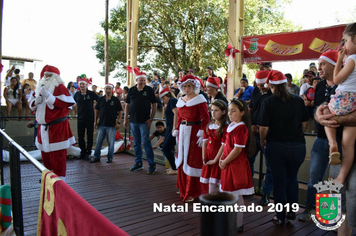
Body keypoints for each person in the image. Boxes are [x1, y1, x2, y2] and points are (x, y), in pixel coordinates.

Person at [258, 70, 308, 226]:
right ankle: (292, 210)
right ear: (286, 83)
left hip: (276, 146)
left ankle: (280, 216)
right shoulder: (298, 101)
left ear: (271, 85)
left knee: (279, 182)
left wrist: (262, 141)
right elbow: (304, 124)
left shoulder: (268, 102)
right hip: (298, 146)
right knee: (292, 178)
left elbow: (263, 127)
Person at [299, 50, 341, 222]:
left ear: (334, 65)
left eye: (323, 64)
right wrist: (318, 116)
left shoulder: (345, 84)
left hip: (341, 141)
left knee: (335, 180)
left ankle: (331, 216)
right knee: (314, 177)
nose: (319, 67)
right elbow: (316, 111)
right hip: (321, 138)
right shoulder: (320, 86)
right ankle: (310, 209)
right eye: (318, 64)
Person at [28, 65, 76, 181]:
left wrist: (49, 96)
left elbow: (66, 104)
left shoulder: (60, 88)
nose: (46, 77)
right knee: (45, 154)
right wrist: (35, 102)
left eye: (49, 75)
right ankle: (48, 176)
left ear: (55, 77)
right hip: (43, 127)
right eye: (45, 75)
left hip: (57, 127)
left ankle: (60, 181)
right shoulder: (39, 87)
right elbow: (31, 105)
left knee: (58, 155)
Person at [325, 23, 356, 186]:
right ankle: (341, 178)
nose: (343, 45)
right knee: (348, 144)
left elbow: (336, 80)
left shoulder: (352, 59)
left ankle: (332, 143)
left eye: (345, 41)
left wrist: (339, 61)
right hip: (354, 103)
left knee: (326, 114)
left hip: (343, 100)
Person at [172, 74, 210, 202]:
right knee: (182, 158)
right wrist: (176, 130)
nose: (187, 88)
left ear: (194, 86)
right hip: (183, 132)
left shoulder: (200, 99)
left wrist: (202, 133)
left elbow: (206, 118)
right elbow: (179, 118)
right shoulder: (181, 100)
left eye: (189, 86)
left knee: (192, 160)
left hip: (194, 133)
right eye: (185, 86)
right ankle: (183, 188)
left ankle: (192, 191)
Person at [219, 98, 255, 232]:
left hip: (236, 165)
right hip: (229, 164)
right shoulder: (231, 126)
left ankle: (238, 224)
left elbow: (237, 149)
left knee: (236, 196)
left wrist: (225, 161)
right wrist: (221, 160)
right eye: (229, 111)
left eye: (233, 111)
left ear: (242, 112)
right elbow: (226, 146)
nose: (230, 114)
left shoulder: (241, 128)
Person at [124, 66, 157, 174]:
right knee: (136, 143)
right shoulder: (132, 90)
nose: (142, 82)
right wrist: (125, 119)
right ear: (136, 80)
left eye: (144, 80)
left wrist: (151, 119)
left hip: (144, 121)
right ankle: (138, 163)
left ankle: (152, 164)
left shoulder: (149, 90)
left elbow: (154, 104)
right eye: (140, 80)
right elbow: (127, 104)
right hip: (133, 121)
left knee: (146, 142)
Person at [248, 70, 273, 206]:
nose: (261, 88)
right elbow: (251, 108)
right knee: (248, 160)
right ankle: (249, 187)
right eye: (259, 85)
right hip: (254, 132)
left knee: (270, 165)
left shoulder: (274, 93)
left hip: (268, 134)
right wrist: (251, 124)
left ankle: (266, 193)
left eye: (263, 85)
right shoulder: (256, 91)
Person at [201, 99, 228, 193]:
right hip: (209, 155)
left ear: (223, 112)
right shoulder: (209, 126)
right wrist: (204, 157)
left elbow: (223, 145)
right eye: (212, 110)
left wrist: (215, 160)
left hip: (219, 157)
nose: (213, 113)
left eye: (216, 110)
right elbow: (204, 142)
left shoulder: (225, 127)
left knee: (220, 181)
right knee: (211, 181)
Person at [90, 83, 122, 164]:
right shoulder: (100, 99)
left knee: (111, 143)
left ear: (112, 89)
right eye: (106, 88)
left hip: (111, 125)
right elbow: (96, 111)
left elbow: (120, 111)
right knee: (98, 142)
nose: (108, 90)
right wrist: (95, 122)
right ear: (104, 90)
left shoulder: (115, 99)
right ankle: (96, 157)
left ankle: (110, 157)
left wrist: (118, 122)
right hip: (101, 124)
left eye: (109, 89)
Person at [74, 77, 100, 160]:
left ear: (86, 85)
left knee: (89, 136)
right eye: (80, 84)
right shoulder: (77, 94)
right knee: (80, 136)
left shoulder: (91, 93)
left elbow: (99, 100)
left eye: (83, 84)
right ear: (78, 85)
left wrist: (97, 109)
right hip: (80, 118)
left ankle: (88, 152)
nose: (82, 85)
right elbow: (74, 103)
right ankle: (83, 152)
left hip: (90, 118)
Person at [159, 85, 178, 175]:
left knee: (166, 148)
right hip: (170, 128)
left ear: (165, 96)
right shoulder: (170, 102)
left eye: (163, 99)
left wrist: (174, 127)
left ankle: (175, 167)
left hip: (172, 128)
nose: (163, 101)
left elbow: (176, 114)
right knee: (166, 148)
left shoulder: (172, 100)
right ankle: (174, 166)